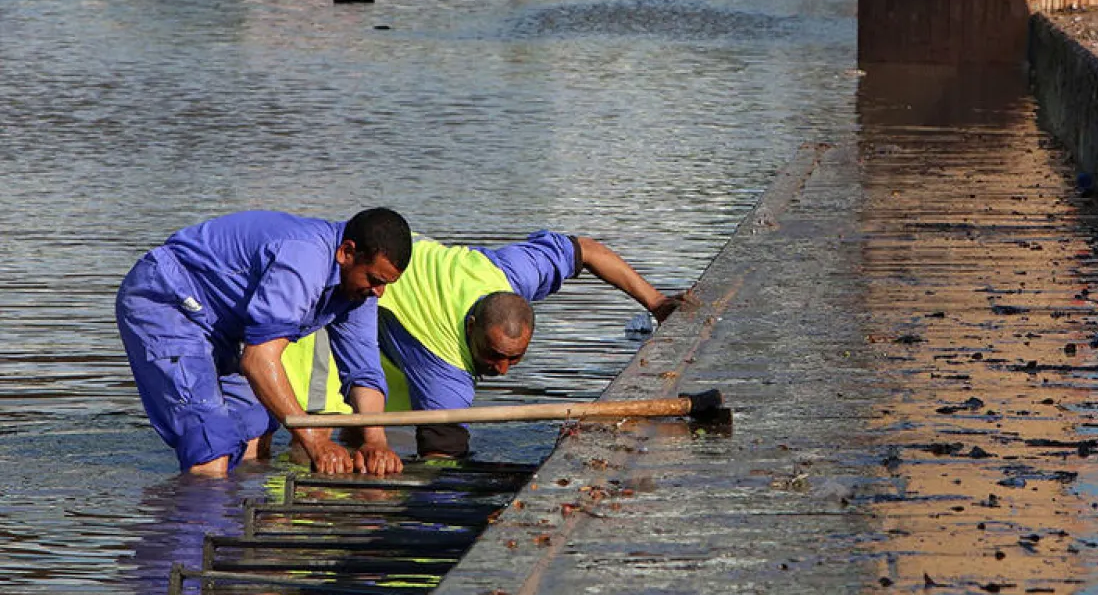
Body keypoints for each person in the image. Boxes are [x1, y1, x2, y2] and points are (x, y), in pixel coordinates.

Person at [284, 232, 689, 458]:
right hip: (332, 300)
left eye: (515, 358)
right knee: (312, 436)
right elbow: (443, 452)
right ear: (471, 326)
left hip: (390, 322)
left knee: (378, 423)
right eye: (493, 356)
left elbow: (587, 251)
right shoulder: (446, 367)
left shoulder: (509, 273)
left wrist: (656, 303)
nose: (501, 371)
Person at [115, 208, 412, 477]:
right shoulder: (303, 259)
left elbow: (363, 373)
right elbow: (257, 361)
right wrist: (313, 440)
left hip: (220, 327)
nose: (380, 292)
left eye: (387, 283)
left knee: (254, 427)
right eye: (374, 279)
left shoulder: (360, 292)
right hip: (167, 301)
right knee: (212, 442)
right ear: (347, 253)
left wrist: (376, 443)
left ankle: (230, 516)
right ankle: (199, 527)